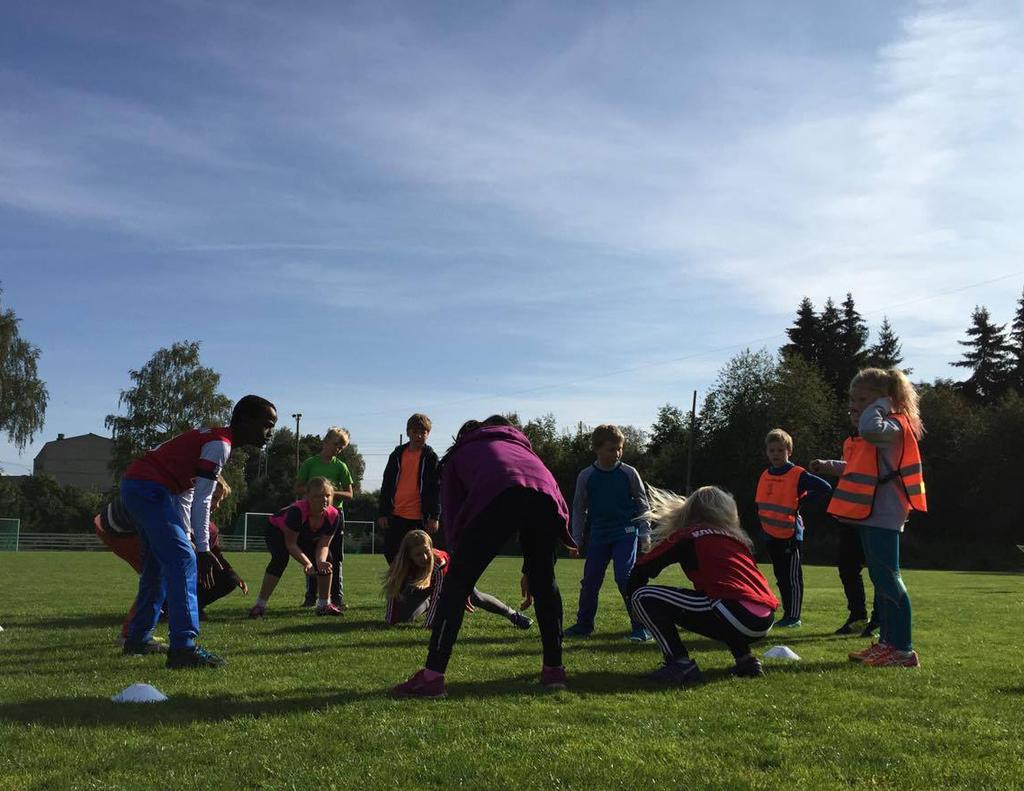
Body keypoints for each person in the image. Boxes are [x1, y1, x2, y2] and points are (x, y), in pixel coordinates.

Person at [392, 416, 575, 699]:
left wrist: (460, 575)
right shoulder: (522, 447)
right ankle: (554, 670)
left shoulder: (462, 452)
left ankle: (432, 677)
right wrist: (536, 565)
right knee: (546, 584)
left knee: (454, 588)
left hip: (498, 494)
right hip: (545, 498)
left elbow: (453, 514)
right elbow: (547, 489)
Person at [119, 395, 277, 668]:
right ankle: (183, 648)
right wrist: (201, 550)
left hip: (143, 487)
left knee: (158, 566)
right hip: (149, 489)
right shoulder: (219, 445)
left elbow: (188, 494)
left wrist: (189, 537)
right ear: (244, 420)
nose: (270, 432)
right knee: (183, 560)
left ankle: (138, 639)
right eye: (266, 424)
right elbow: (204, 499)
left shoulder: (215, 440)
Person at [819, 367, 927, 668]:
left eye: (863, 398)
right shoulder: (882, 426)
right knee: (880, 578)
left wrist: (881, 405)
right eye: (853, 399)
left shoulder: (892, 425)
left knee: (888, 577)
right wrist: (872, 405)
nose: (856, 405)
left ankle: (902, 649)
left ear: (884, 398)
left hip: (886, 512)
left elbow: (867, 427)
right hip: (873, 512)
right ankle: (887, 644)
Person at [628, 486, 780, 685]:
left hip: (734, 613)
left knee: (642, 596)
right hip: (764, 618)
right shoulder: (736, 539)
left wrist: (633, 605)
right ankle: (746, 660)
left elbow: (642, 569)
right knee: (716, 599)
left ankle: (680, 664)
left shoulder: (689, 536)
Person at [95, 476, 248, 650]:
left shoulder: (184, 494)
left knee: (160, 575)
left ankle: (142, 629)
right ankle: (131, 634)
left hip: (116, 524)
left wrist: (229, 570)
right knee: (159, 575)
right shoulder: (181, 497)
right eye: (214, 497)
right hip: (118, 529)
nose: (215, 504)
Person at [564, 424, 652, 641]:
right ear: (597, 448)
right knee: (591, 579)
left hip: (626, 531)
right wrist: (575, 539)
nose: (617, 453)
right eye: (611, 449)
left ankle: (641, 627)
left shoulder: (629, 473)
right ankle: (584, 625)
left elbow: (643, 505)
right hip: (599, 534)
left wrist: (644, 535)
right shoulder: (586, 476)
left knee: (624, 576)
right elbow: (578, 509)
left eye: (620, 449)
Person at [755, 428, 832, 628]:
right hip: (771, 535)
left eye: (780, 450)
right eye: (772, 450)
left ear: (789, 451)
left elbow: (825, 488)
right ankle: (787, 614)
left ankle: (794, 617)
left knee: (792, 578)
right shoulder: (765, 474)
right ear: (767, 452)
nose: (776, 454)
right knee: (781, 577)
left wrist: (801, 501)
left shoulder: (797, 474)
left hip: (790, 535)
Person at [811, 413, 879, 637]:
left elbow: (860, 468)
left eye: (861, 405)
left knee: (880, 570)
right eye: (852, 408)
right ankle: (858, 616)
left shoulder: (880, 440)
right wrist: (826, 465)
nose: (854, 412)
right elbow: (850, 467)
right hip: (850, 515)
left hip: (875, 515)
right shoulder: (850, 441)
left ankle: (880, 618)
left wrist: (828, 465)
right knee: (848, 568)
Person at [383, 529, 532, 629]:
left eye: (426, 552)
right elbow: (393, 592)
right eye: (417, 555)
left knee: (475, 596)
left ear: (431, 548)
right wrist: (389, 620)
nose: (424, 558)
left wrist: (429, 625)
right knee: (403, 619)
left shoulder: (438, 562)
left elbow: (437, 595)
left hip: (451, 579)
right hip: (426, 588)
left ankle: (513, 615)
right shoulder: (400, 563)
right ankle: (425, 603)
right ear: (408, 555)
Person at [249, 477, 344, 617]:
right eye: (318, 496)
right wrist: (307, 563)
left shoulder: (335, 515)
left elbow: (323, 544)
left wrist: (319, 562)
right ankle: (259, 605)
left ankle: (324, 605)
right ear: (308, 498)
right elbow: (291, 544)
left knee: (327, 560)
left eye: (327, 495)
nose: (324, 499)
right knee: (280, 558)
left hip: (302, 535)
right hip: (277, 531)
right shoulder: (297, 512)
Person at [295, 427, 354, 609]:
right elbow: (297, 488)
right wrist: (316, 495)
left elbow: (350, 494)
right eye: (336, 444)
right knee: (312, 557)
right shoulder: (310, 464)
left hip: (335, 517)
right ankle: (310, 596)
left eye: (341, 447)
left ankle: (336, 597)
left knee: (335, 557)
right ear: (326, 441)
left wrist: (330, 493)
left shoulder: (341, 466)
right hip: (312, 517)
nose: (337, 449)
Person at [377, 413, 441, 565]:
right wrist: (383, 512)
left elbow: (436, 488)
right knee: (391, 552)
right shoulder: (397, 455)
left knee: (419, 557)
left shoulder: (431, 457)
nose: (419, 436)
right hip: (396, 515)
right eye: (415, 432)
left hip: (420, 518)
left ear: (428, 434)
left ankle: (418, 587)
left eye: (423, 432)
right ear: (408, 432)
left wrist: (435, 516)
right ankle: (399, 586)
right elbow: (387, 484)